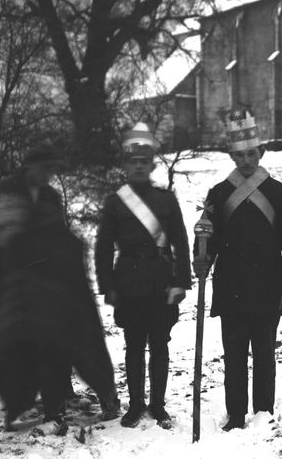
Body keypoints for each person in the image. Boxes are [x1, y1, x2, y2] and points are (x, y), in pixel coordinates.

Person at [0, 144, 119, 435]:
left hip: (50, 283)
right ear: (28, 166)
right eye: (44, 169)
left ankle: (59, 397)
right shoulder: (4, 192)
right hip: (13, 284)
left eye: (52, 170)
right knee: (21, 345)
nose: (49, 175)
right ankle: (21, 403)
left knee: (61, 338)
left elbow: (57, 235)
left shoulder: (51, 196)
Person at [192, 110, 282, 432]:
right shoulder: (218, 193)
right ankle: (236, 414)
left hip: (269, 286)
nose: (245, 161)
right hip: (231, 287)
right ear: (231, 155)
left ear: (261, 152)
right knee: (234, 356)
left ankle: (263, 412)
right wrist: (201, 257)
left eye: (251, 154)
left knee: (265, 355)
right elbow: (206, 238)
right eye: (239, 155)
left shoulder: (279, 193)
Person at [94, 124, 191, 428]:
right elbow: (103, 247)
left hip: (161, 282)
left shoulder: (166, 200)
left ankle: (158, 405)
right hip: (129, 284)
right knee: (134, 346)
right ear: (125, 166)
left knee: (160, 346)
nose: (138, 166)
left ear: (151, 165)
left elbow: (181, 242)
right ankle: (136, 404)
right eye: (132, 162)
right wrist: (108, 286)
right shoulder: (115, 202)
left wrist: (180, 282)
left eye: (144, 162)